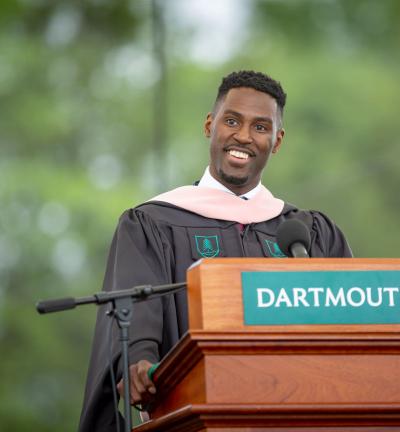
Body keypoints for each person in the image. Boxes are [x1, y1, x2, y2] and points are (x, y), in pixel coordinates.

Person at [79, 70, 352, 431]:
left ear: (277, 140)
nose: (243, 136)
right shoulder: (153, 223)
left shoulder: (307, 233)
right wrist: (139, 360)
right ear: (210, 125)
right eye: (232, 121)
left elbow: (354, 320)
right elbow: (134, 311)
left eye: (260, 127)